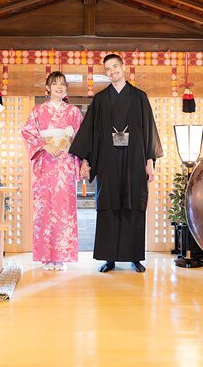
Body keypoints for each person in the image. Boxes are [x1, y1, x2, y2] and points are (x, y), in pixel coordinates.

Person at [70, 54, 163, 273]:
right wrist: (86, 160)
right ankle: (109, 257)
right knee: (108, 203)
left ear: (123, 67)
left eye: (115, 66)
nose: (112, 71)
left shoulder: (140, 97)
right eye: (108, 69)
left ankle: (134, 257)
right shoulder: (101, 99)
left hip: (134, 158)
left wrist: (149, 162)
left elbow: (148, 129)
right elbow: (90, 131)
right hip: (108, 159)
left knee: (134, 204)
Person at [21, 72, 84, 271]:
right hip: (45, 164)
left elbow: (82, 138)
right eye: (54, 83)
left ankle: (62, 256)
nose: (59, 87)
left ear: (66, 88)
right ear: (47, 88)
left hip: (65, 164)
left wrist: (82, 162)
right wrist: (44, 145)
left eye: (62, 84)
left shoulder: (73, 112)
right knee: (44, 209)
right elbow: (27, 132)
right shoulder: (38, 111)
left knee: (64, 209)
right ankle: (46, 256)